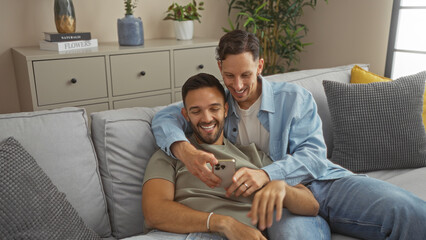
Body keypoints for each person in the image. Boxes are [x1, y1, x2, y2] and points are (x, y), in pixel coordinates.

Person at [152, 30, 426, 239]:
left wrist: (268, 174)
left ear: (260, 66)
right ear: (220, 69)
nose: (238, 85)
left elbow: (315, 157)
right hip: (281, 202)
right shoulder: (218, 104)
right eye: (229, 76)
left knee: (411, 213)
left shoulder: (293, 98)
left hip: (324, 183)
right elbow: (165, 116)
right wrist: (183, 150)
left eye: (246, 75)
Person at [142, 73, 319, 240]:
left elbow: (311, 205)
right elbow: (154, 213)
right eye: (196, 111)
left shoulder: (252, 155)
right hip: (179, 235)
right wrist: (224, 223)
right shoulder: (171, 154)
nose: (207, 118)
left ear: (226, 110)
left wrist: (281, 187)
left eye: (214, 108)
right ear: (185, 115)